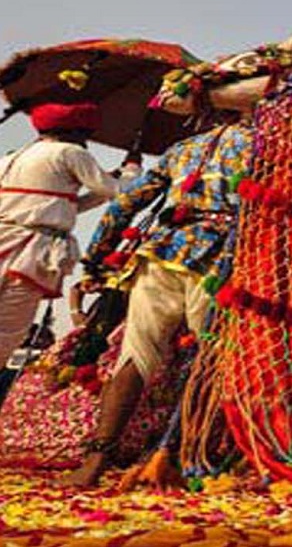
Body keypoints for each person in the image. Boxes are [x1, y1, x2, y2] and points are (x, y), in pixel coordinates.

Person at [63, 104, 256, 487]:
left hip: (161, 253)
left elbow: (125, 203)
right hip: (223, 259)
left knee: (135, 355)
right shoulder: (267, 146)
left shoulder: (183, 149)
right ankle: (181, 457)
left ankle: (97, 458)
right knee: (210, 359)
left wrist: (98, 260)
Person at [0, 103, 125, 372]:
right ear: (76, 132)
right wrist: (131, 173)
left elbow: (62, 205)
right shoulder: (70, 152)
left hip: (8, 240)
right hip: (29, 252)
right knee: (7, 332)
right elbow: (117, 192)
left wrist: (106, 186)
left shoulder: (13, 156)